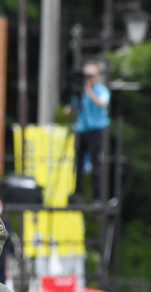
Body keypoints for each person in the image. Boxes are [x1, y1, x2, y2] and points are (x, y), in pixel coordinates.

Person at [66, 61, 110, 203]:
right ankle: (78, 194)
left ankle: (97, 197)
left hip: (96, 129)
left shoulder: (101, 90)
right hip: (81, 129)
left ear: (96, 76)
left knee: (96, 163)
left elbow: (103, 104)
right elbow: (72, 109)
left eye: (91, 75)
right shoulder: (79, 92)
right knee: (77, 162)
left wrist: (89, 92)